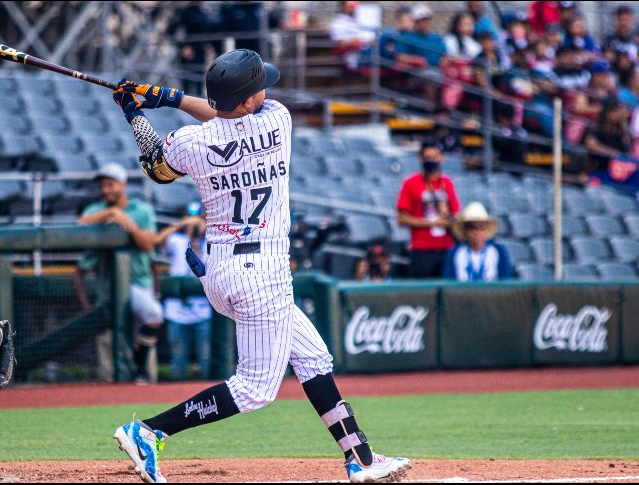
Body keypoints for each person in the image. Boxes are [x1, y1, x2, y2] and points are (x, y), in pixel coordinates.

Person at [109, 49, 411, 483]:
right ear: (249, 100)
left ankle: (359, 457)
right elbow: (224, 116)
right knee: (254, 389)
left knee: (313, 357)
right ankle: (150, 431)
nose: (264, 90)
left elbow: (157, 166)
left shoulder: (192, 142)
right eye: (257, 87)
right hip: (263, 276)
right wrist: (169, 97)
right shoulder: (278, 120)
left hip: (220, 271)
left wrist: (137, 113)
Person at [75, 163, 164, 384]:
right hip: (109, 291)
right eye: (103, 186)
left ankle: (142, 370)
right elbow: (81, 224)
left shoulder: (141, 210)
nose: (106, 190)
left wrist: (129, 225)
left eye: (111, 185)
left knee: (152, 319)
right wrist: (112, 212)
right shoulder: (96, 210)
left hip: (138, 283)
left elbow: (148, 245)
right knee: (110, 357)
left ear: (123, 185)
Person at [156, 202, 212, 381]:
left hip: (202, 309)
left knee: (205, 358)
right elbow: (157, 241)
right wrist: (181, 224)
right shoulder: (177, 240)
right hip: (177, 311)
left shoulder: (210, 242)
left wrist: (204, 229)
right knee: (177, 359)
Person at [396, 142, 461, 279]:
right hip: (422, 249)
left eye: (435, 157)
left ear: (441, 157)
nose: (431, 161)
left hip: (446, 247)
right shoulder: (411, 183)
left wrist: (448, 217)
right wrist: (432, 222)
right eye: (427, 157)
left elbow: (457, 214)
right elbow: (401, 218)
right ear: (421, 158)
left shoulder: (446, 183)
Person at [443, 202, 514, 281]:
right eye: (471, 228)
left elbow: (506, 281)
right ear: (465, 231)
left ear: (486, 231)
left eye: (481, 227)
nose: (476, 232)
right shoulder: (454, 253)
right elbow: (448, 283)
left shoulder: (499, 252)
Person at [329, 0, 376, 72]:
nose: (355, 5)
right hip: (356, 57)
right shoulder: (338, 22)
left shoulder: (363, 19)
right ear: (344, 5)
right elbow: (340, 44)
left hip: (370, 52)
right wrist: (357, 41)